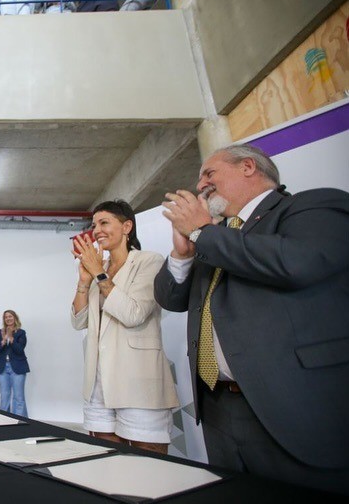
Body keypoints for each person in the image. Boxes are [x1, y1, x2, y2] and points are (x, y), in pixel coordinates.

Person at [155, 144, 349, 493]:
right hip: (219, 407)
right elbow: (171, 298)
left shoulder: (312, 206)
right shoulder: (215, 235)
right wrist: (182, 254)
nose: (201, 185)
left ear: (248, 167)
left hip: (289, 403)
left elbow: (294, 263)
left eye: (209, 174)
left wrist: (203, 233)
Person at [71, 199, 178, 454]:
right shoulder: (100, 268)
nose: (96, 230)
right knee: (104, 457)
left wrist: (98, 274)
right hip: (98, 381)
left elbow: (133, 313)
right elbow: (78, 321)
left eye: (104, 222)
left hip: (138, 380)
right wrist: (85, 281)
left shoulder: (149, 262)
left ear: (127, 226)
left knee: (148, 459)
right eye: (94, 224)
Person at [0, 309, 29, 416]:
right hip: (2, 367)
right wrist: (3, 340)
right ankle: (4, 419)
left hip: (18, 367)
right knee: (4, 395)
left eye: (10, 316)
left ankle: (20, 420)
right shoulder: (0, 332)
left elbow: (19, 350)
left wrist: (11, 338)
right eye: (6, 317)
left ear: (15, 318)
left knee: (18, 396)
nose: (8, 318)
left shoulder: (21, 333)